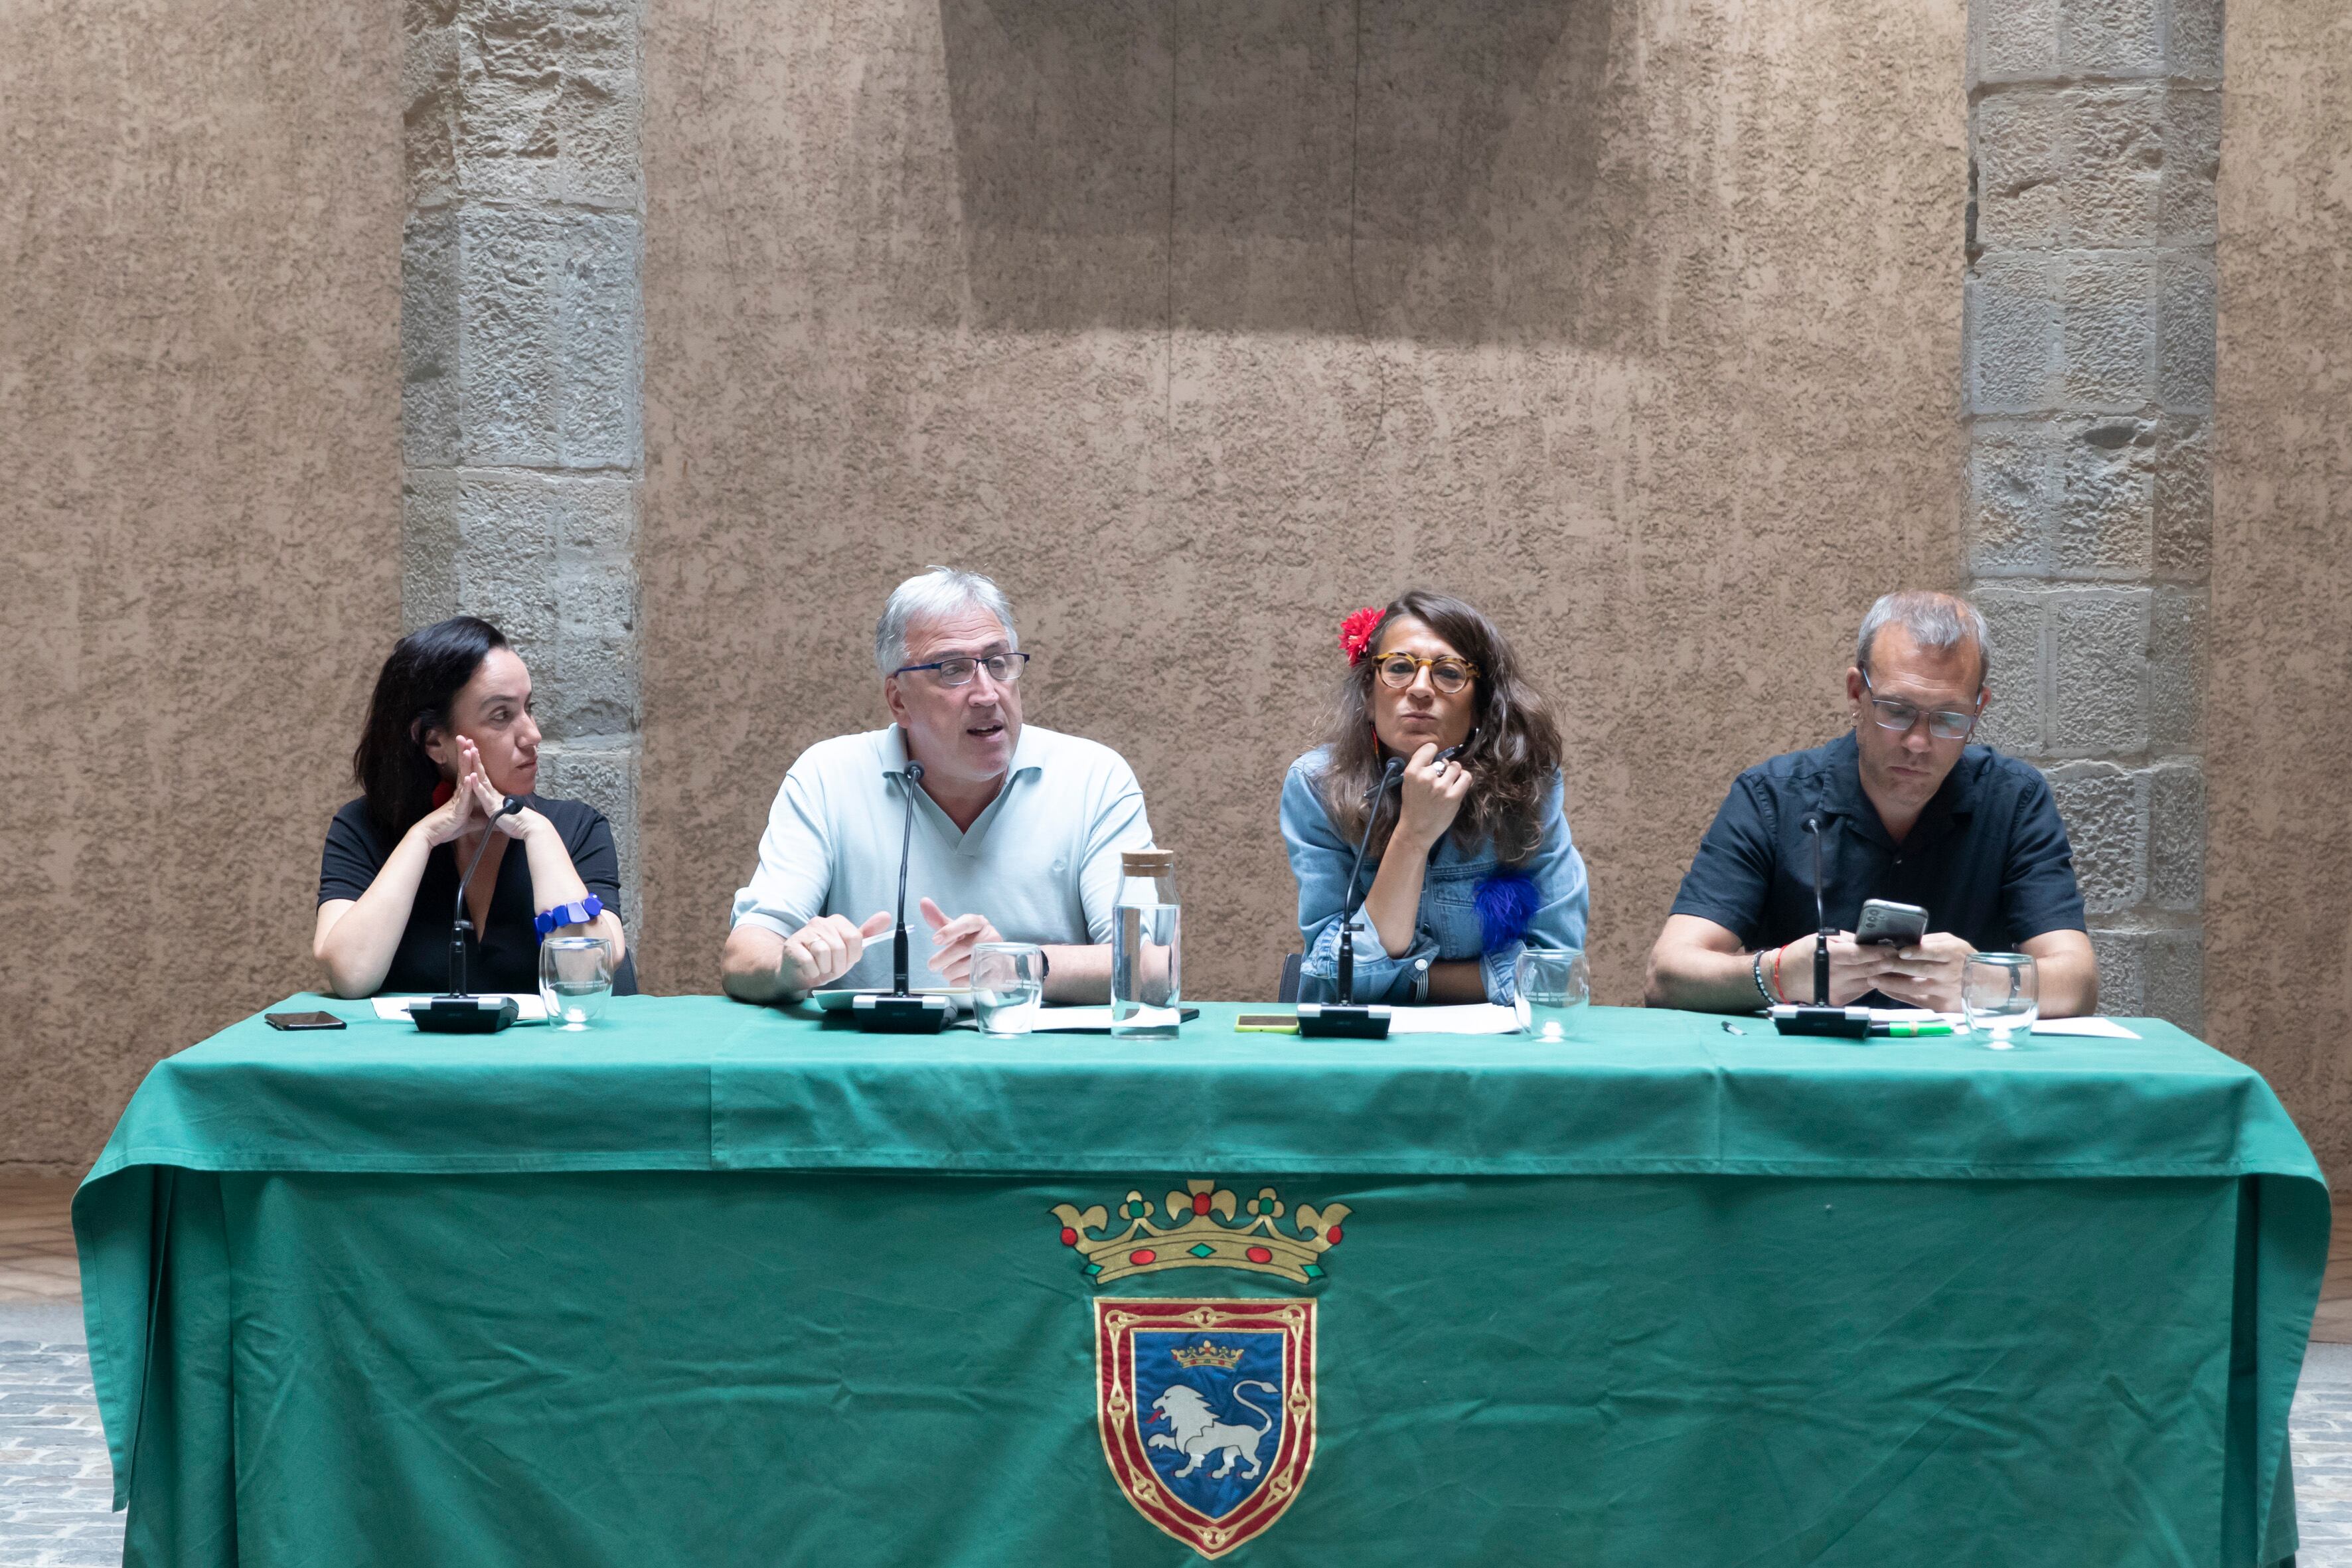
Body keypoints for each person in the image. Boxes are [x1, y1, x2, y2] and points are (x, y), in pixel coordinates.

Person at [1645, 589, 2096, 1016]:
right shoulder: (1771, 796)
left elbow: (2077, 982)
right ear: (1855, 694)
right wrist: (1777, 974)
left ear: (1978, 710)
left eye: (1948, 718)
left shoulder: (2013, 799)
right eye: (1896, 710)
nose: (1918, 742)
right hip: (1801, 1079)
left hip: (1961, 1081)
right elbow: (1668, 975)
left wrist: (1983, 980)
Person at [722, 567, 1154, 1003]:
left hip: (1034, 1061)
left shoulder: (1094, 778)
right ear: (898, 700)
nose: (987, 694)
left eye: (998, 663)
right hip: (871, 1065)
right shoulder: (827, 777)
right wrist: (789, 968)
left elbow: (1149, 967)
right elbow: (744, 959)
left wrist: (1017, 964)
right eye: (953, 670)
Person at [1281, 591, 1590, 1005]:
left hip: (1496, 1054)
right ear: (1369, 699)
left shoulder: (1528, 784)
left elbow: (1556, 973)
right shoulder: (1317, 784)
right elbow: (1333, 977)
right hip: (1367, 1053)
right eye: (1400, 668)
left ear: (1481, 707)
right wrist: (1413, 835)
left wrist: (1408, 981)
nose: (1421, 689)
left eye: (1448, 673)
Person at [315, 617, 633, 998]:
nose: (533, 734)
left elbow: (584, 977)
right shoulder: (363, 827)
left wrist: (538, 833)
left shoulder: (577, 828)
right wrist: (424, 835)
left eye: (528, 708)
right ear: (434, 742)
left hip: (555, 1058)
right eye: (501, 715)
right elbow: (351, 976)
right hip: (422, 1060)